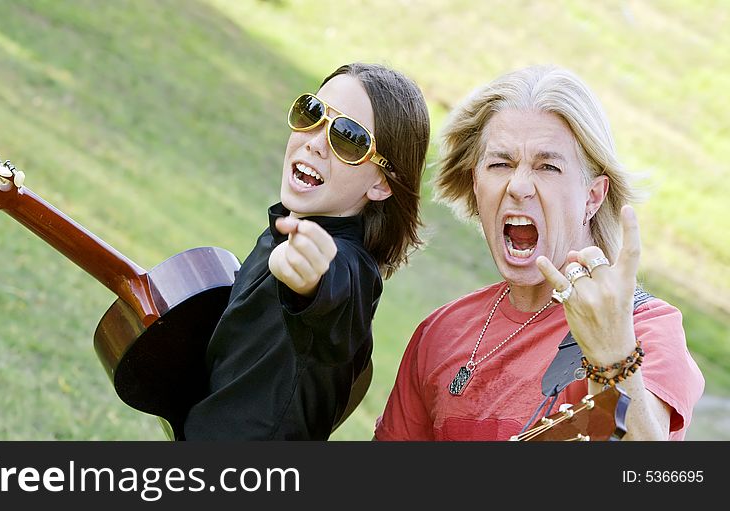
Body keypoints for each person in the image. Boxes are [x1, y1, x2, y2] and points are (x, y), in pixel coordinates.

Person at [374, 65, 704, 441]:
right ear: (476, 184)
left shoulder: (645, 328)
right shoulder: (441, 333)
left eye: (548, 166)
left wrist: (613, 358)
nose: (518, 186)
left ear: (592, 197)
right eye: (500, 164)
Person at [183, 62, 431, 439]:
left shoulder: (348, 268)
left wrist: (313, 282)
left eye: (348, 137)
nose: (316, 141)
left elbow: (337, 293)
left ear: (382, 183)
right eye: (312, 113)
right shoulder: (282, 230)